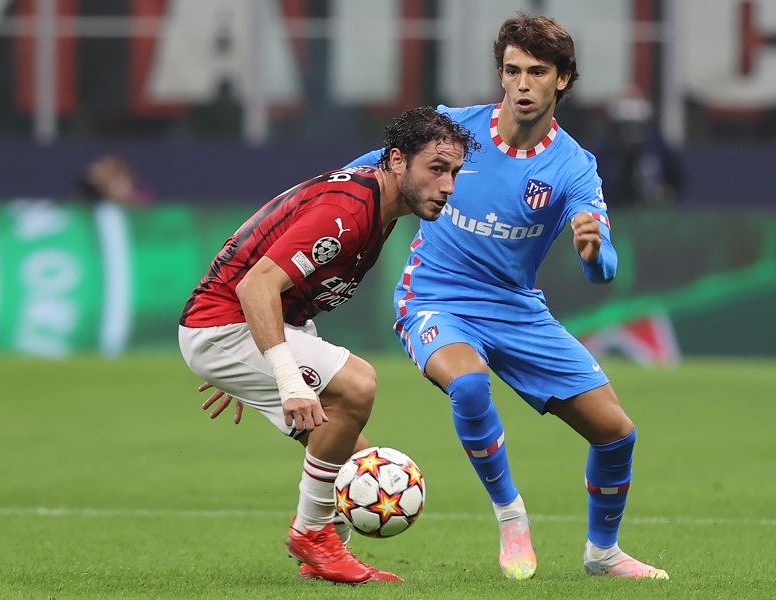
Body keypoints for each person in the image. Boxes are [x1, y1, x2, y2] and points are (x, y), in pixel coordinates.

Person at [343, 12, 669, 581]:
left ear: (562, 79)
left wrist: (595, 255)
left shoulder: (572, 167)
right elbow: (366, 172)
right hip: (435, 299)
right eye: (512, 71)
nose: (522, 84)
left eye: (537, 72)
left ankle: (604, 553)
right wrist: (317, 196)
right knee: (467, 383)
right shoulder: (451, 130)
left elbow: (603, 268)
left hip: (517, 310)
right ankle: (510, 514)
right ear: (500, 74)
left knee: (617, 433)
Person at [178, 106, 479, 584]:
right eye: (437, 169)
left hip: (250, 330)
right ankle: (311, 534)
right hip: (226, 325)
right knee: (358, 385)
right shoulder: (346, 212)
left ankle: (324, 557)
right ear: (398, 161)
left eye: (455, 173)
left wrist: (249, 370)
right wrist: (282, 375)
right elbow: (254, 287)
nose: (448, 186)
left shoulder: (379, 207)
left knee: (349, 452)